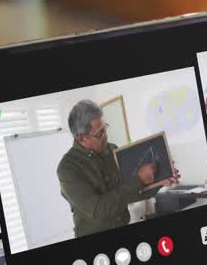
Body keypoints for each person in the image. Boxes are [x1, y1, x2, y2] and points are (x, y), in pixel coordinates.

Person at [58, 99, 179, 238]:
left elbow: (131, 193)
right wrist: (139, 180)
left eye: (105, 128)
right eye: (100, 133)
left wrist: (161, 180)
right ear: (81, 137)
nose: (106, 135)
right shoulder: (67, 169)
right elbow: (98, 210)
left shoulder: (112, 150)